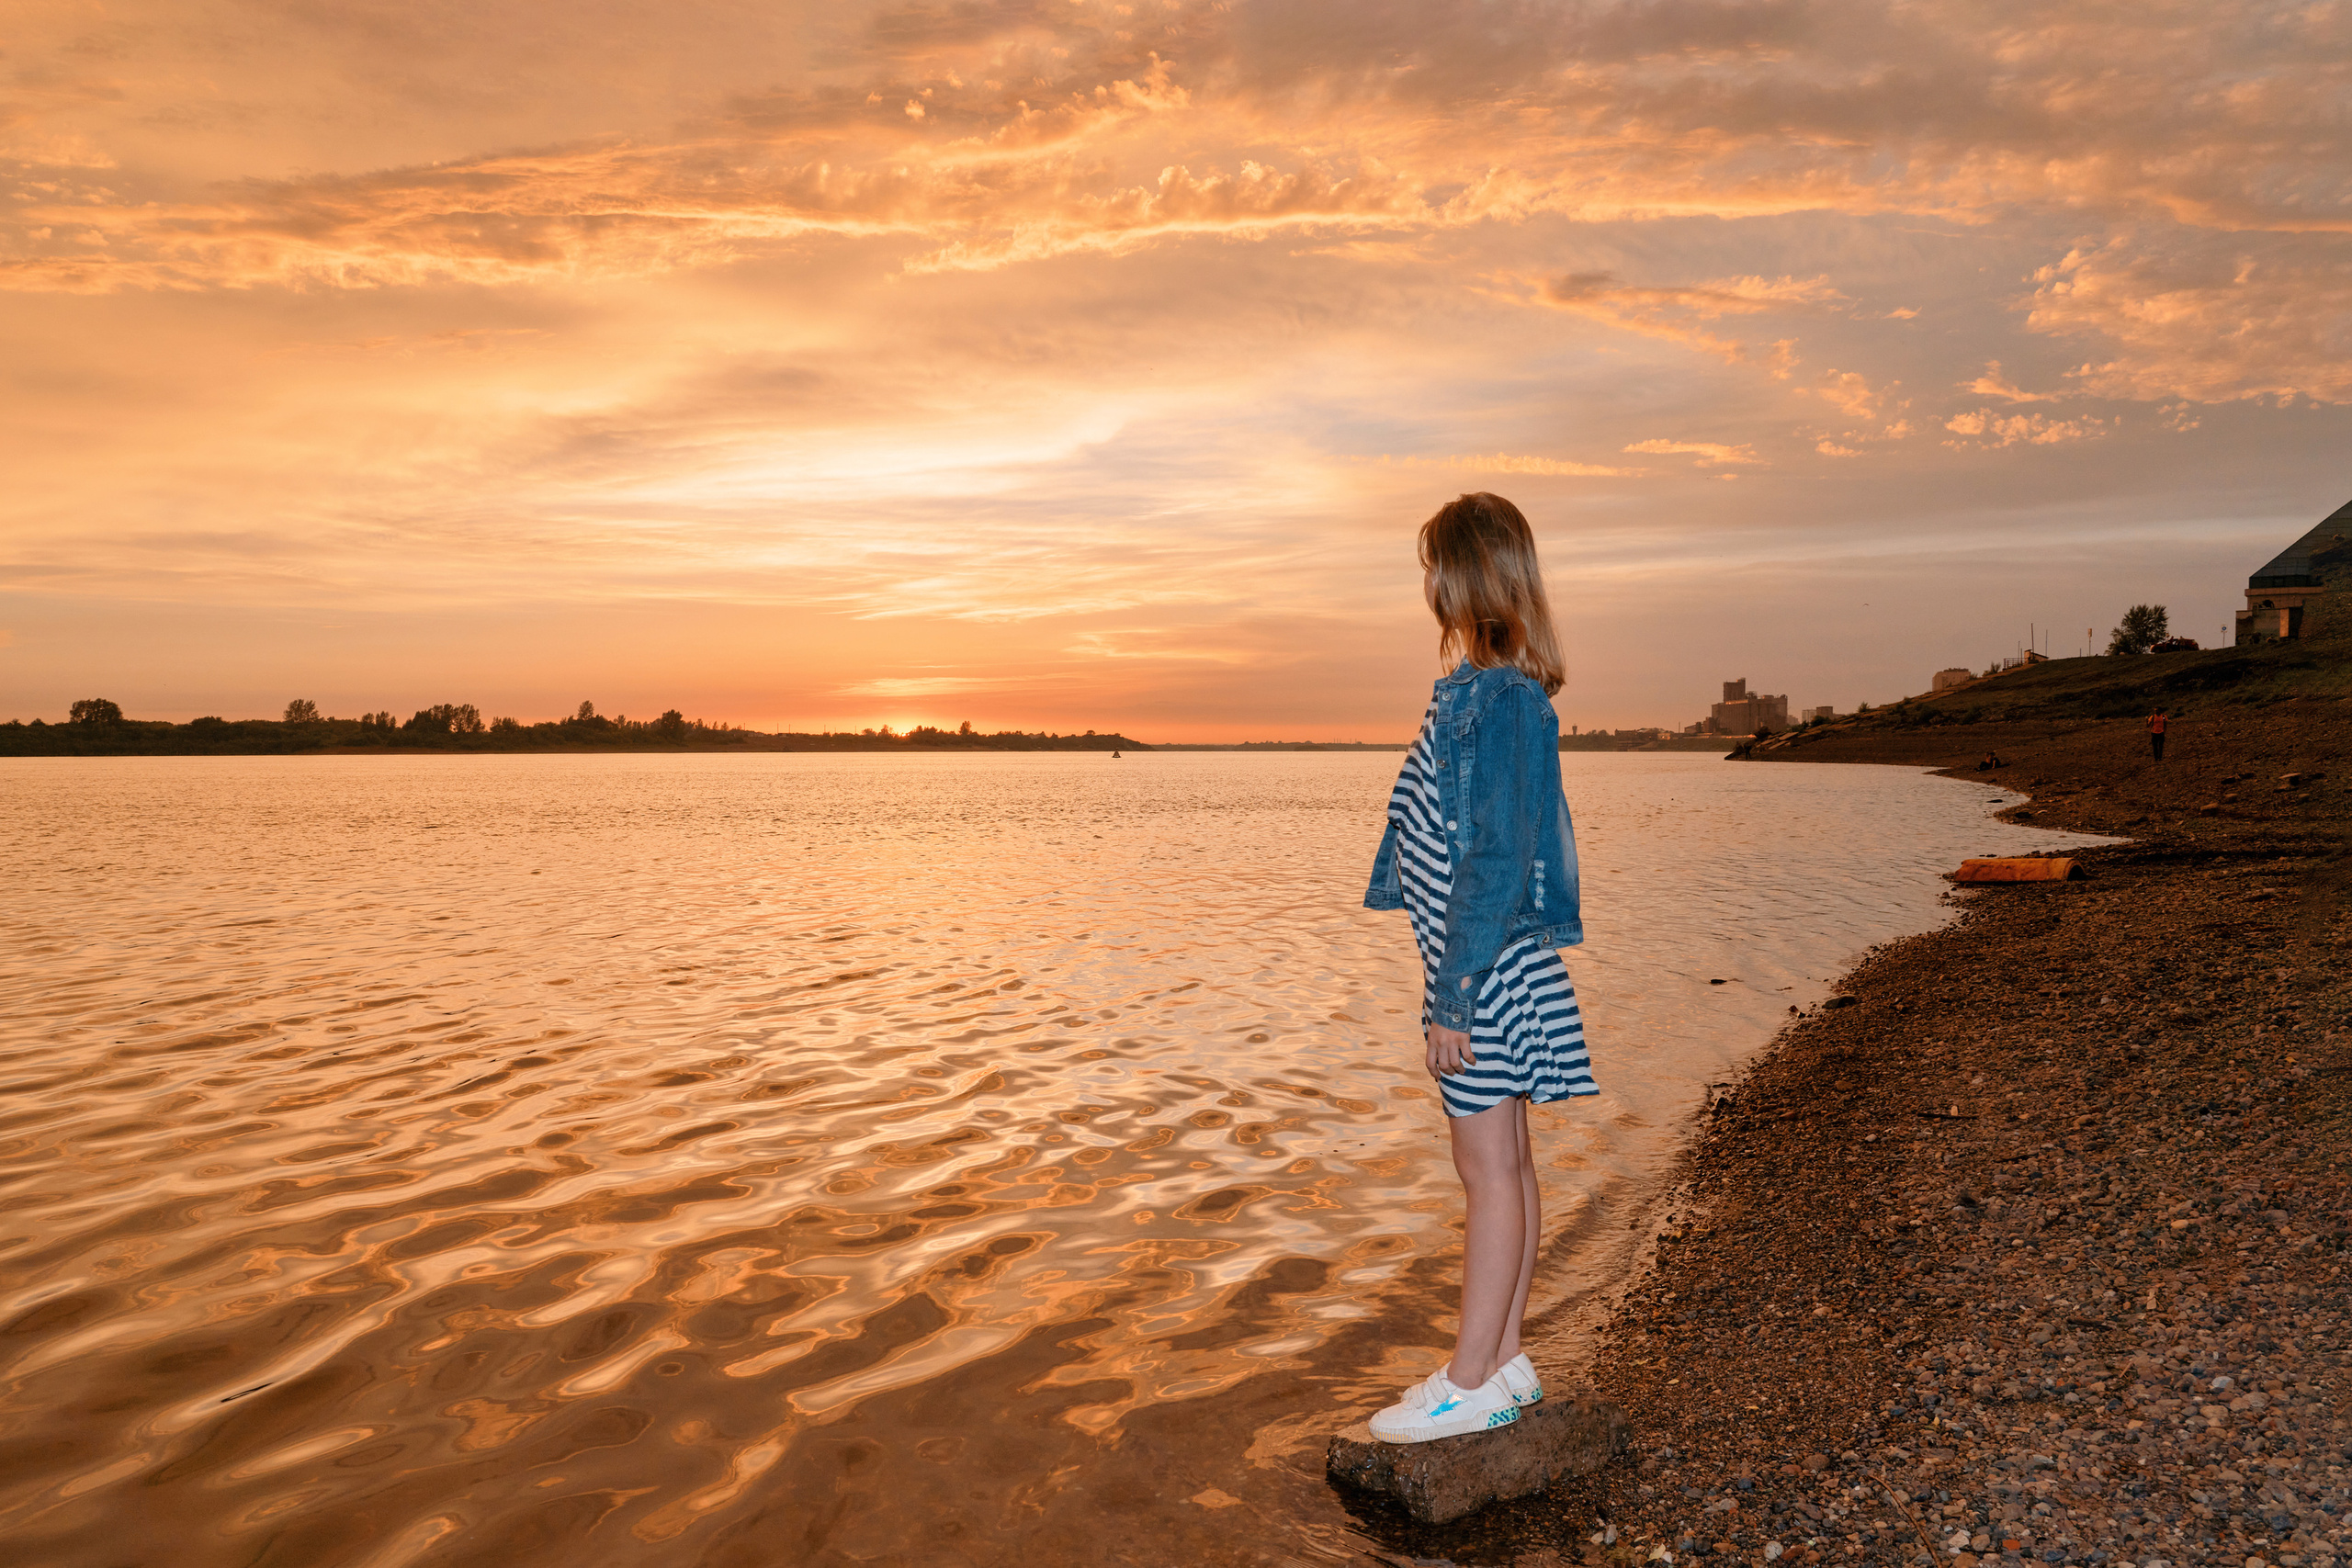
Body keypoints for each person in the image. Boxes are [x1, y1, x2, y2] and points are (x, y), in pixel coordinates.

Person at [1361, 492, 1594, 1444]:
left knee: (1486, 1171)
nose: (1427, 584)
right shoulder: (1493, 692)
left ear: (1466, 575)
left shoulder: (1495, 700)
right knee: (1511, 1165)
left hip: (1484, 969)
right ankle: (1501, 1363)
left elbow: (1496, 856)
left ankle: (1468, 1379)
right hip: (1494, 962)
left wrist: (1450, 997)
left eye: (1434, 566)